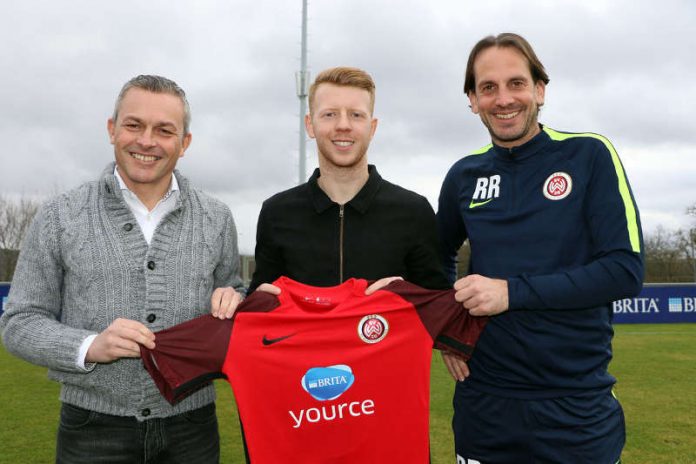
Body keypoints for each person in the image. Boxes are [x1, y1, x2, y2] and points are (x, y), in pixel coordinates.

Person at [0, 75, 245, 463]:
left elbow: (231, 298)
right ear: (112, 129)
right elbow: (19, 321)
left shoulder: (216, 217)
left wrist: (236, 298)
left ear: (184, 143)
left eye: (164, 130)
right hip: (92, 432)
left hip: (193, 431)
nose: (146, 141)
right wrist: (89, 346)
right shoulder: (60, 215)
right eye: (134, 125)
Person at [437, 33, 644, 463]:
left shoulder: (589, 155)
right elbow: (436, 256)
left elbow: (624, 270)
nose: (503, 99)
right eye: (488, 88)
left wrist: (511, 292)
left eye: (516, 83)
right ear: (472, 100)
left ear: (539, 90)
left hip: (575, 407)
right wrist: (449, 330)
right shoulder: (463, 176)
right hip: (484, 402)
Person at [212, 66, 449, 316]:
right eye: (329, 115)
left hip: (387, 355)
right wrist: (237, 300)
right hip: (303, 355)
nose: (343, 125)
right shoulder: (277, 213)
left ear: (373, 126)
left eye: (356, 115)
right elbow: (263, 304)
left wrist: (408, 295)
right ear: (310, 125)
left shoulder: (413, 211)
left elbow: (440, 308)